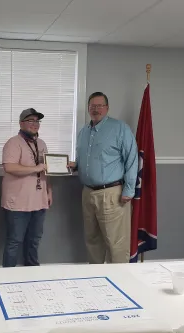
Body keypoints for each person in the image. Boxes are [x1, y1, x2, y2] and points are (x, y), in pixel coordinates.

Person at [69, 92, 138, 264]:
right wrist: (74, 165)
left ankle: (120, 281)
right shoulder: (83, 132)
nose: (96, 109)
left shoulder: (120, 128)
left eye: (100, 105)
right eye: (92, 106)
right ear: (88, 108)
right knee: (92, 241)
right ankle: (98, 282)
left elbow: (132, 159)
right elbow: (84, 160)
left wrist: (129, 190)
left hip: (112, 194)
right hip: (88, 193)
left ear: (107, 108)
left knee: (116, 243)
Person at [1, 108, 52, 267]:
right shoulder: (13, 143)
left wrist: (49, 190)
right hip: (18, 202)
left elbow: (46, 169)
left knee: (34, 240)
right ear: (21, 123)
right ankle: (7, 276)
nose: (34, 124)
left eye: (37, 121)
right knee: (14, 241)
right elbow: (10, 167)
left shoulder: (42, 143)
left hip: (39, 200)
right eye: (30, 121)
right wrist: (35, 168)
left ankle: (31, 273)